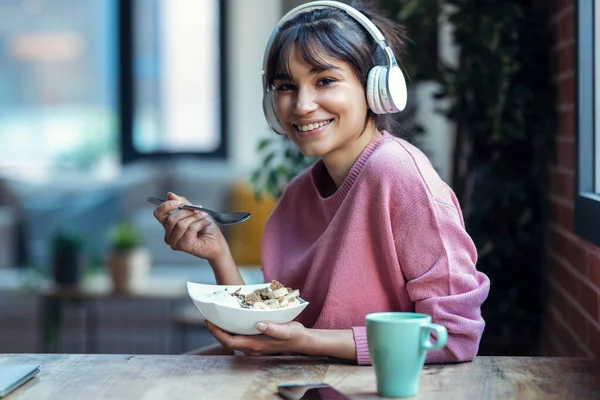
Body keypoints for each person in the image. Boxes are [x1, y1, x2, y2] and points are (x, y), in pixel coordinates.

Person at [152, 0, 490, 364]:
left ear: (377, 87)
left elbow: (454, 335)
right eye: (286, 86)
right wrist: (218, 252)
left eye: (325, 81)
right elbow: (271, 334)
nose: (301, 105)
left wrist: (307, 342)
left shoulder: (398, 174)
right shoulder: (298, 194)